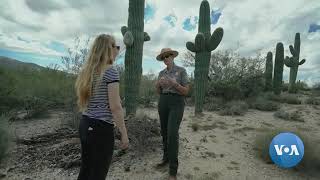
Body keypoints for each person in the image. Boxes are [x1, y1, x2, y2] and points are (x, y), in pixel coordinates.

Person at [75, 34, 129, 180]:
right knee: (98, 173)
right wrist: (123, 133)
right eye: (116, 46)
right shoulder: (110, 71)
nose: (118, 49)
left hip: (85, 124)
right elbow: (115, 107)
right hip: (100, 128)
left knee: (86, 170)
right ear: (108, 49)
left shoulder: (88, 71)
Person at [155, 48, 190, 180]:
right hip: (163, 101)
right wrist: (158, 84)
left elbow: (186, 91)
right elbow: (158, 91)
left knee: (172, 133)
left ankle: (173, 171)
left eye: (168, 55)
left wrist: (175, 84)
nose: (166, 58)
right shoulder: (161, 73)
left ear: (173, 56)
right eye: (164, 56)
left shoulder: (181, 71)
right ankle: (166, 159)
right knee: (164, 132)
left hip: (177, 102)